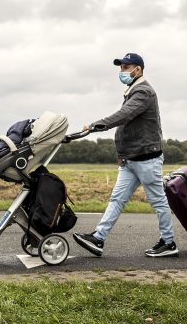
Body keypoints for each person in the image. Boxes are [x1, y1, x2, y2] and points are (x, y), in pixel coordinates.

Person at [72, 53, 178, 258]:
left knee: (158, 201)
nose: (122, 72)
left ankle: (169, 242)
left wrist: (95, 126)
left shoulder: (143, 92)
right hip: (131, 160)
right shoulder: (132, 91)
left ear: (137, 70)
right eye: (121, 68)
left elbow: (123, 116)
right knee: (117, 199)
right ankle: (98, 238)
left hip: (146, 158)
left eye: (126, 68)